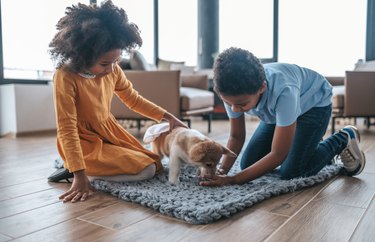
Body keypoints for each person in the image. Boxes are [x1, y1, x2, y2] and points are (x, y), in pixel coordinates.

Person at [48, 0, 187, 202]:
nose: (112, 69)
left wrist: (168, 117)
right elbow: (66, 127)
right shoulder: (65, 76)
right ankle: (79, 171)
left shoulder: (113, 71)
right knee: (145, 170)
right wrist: (80, 175)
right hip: (83, 141)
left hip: (108, 132)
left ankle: (79, 167)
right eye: (105, 63)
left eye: (116, 61)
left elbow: (134, 100)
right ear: (83, 56)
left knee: (154, 163)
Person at [200, 47, 366, 187]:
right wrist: (221, 170)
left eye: (242, 104)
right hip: (278, 114)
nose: (235, 109)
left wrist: (233, 179)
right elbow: (236, 137)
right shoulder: (233, 94)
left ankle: (342, 138)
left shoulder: (284, 90)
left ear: (262, 88)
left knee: (292, 171)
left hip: (313, 106)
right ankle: (310, 147)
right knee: (247, 164)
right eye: (228, 103)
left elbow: (278, 154)